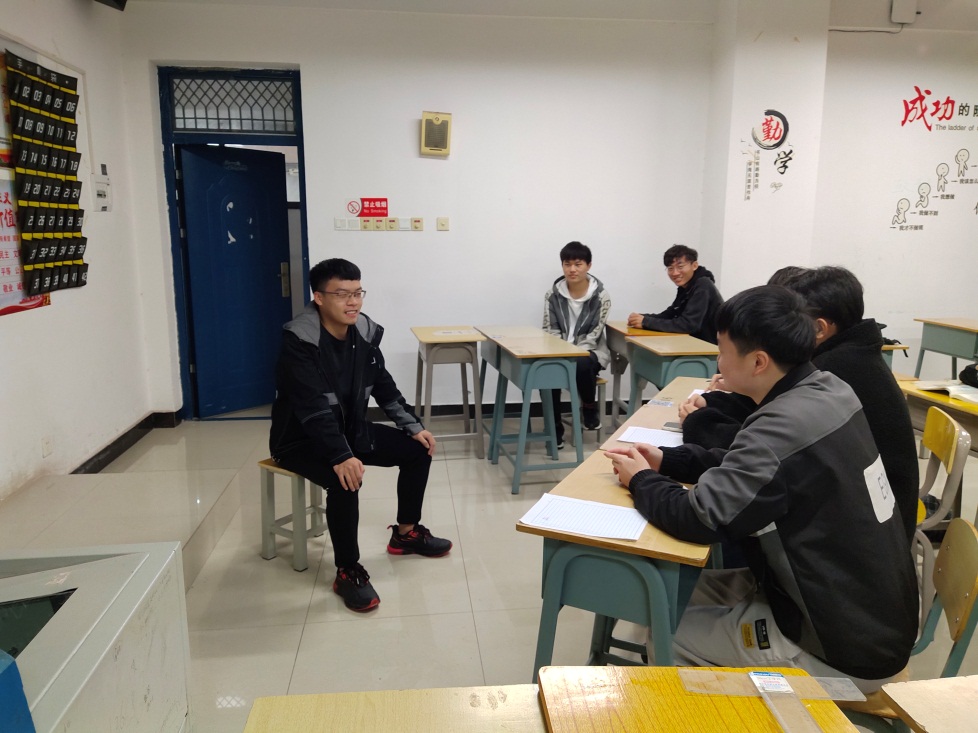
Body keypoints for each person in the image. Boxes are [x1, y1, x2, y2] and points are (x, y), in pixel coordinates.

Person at [606, 285, 918, 691]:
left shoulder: (778, 427)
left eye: (722, 351)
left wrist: (641, 480)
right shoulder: (829, 389)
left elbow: (697, 517)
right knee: (679, 593)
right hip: (869, 619)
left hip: (840, 648)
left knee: (668, 632)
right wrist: (669, 461)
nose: (717, 361)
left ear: (758, 362)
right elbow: (755, 469)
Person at [680, 266, 919, 543]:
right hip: (867, 520)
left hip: (861, 532)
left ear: (819, 328)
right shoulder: (847, 356)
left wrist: (700, 423)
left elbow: (768, 449)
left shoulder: (832, 372)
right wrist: (714, 404)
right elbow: (764, 421)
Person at [269, 258, 452, 613]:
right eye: (342, 294)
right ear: (319, 297)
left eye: (357, 293)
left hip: (349, 430)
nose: (353, 302)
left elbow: (384, 386)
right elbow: (312, 408)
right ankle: (347, 570)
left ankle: (406, 534)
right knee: (345, 480)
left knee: (418, 450)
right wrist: (340, 455)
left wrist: (414, 426)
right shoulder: (300, 341)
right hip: (300, 440)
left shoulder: (363, 335)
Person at [543, 241, 612, 446]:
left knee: (581, 362)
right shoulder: (552, 295)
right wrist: (561, 354)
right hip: (558, 351)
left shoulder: (601, 297)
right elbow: (550, 329)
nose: (572, 269)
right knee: (547, 370)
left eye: (578, 264)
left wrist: (572, 355)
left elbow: (594, 333)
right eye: (567, 264)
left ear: (588, 266)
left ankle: (589, 407)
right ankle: (554, 429)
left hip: (591, 352)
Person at [627, 244, 723, 344]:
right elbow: (671, 314)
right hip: (692, 344)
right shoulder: (686, 287)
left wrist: (646, 322)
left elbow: (689, 325)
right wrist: (641, 318)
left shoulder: (703, 285)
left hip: (709, 348)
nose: (675, 273)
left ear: (694, 265)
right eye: (670, 268)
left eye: (680, 267)